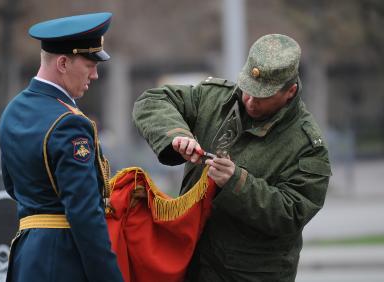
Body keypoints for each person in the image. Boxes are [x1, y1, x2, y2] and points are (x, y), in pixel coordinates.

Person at [132, 34, 331, 281]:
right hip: (192, 266)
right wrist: (177, 136)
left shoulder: (308, 145)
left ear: (290, 92)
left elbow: (292, 213)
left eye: (262, 96)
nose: (250, 100)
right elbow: (151, 101)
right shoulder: (215, 98)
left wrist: (237, 182)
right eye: (248, 89)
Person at [0, 13, 123, 282]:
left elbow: (12, 186)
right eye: (90, 64)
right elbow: (85, 214)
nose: (95, 74)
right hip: (63, 259)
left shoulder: (12, 111)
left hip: (26, 256)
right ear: (63, 63)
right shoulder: (70, 123)